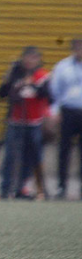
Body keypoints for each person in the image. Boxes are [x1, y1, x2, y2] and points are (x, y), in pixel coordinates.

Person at [0, 47, 51, 200]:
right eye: (27, 57)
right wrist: (9, 80)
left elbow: (47, 94)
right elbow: (1, 94)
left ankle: (22, 188)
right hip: (15, 121)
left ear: (38, 60)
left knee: (31, 156)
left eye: (33, 58)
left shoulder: (42, 75)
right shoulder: (15, 74)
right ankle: (5, 188)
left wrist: (32, 85)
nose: (29, 61)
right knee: (10, 156)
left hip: (34, 122)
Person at [50, 37, 82, 199]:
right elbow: (55, 91)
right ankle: (61, 186)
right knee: (64, 151)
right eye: (78, 47)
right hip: (68, 111)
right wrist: (55, 111)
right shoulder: (63, 67)